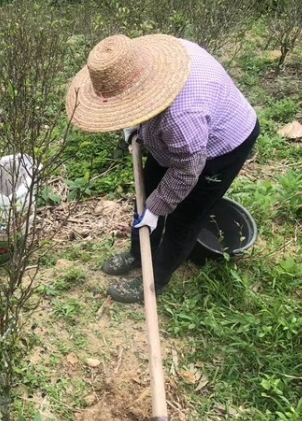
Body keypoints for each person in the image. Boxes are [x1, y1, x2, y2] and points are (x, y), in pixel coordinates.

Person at [65, 34, 260, 303]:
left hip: (221, 146)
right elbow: (146, 110)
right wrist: (134, 125)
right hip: (177, 140)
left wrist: (158, 209)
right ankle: (138, 254)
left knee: (184, 218)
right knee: (145, 197)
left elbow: (188, 169)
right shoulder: (147, 65)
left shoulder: (180, 117)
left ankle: (154, 280)